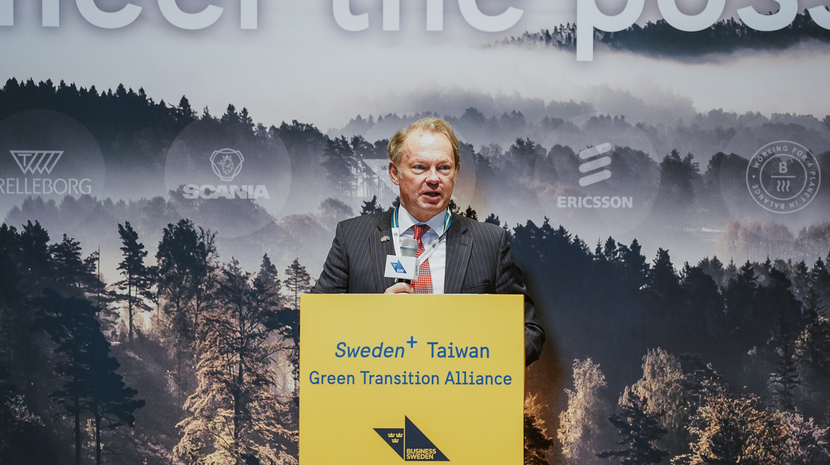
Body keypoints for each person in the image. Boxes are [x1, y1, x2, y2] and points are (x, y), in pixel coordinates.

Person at [312, 117, 545, 365]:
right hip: (377, 383)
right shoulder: (352, 237)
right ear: (394, 173)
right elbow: (314, 326)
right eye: (420, 167)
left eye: (443, 168)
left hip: (460, 383)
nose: (433, 178)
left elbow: (529, 332)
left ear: (455, 173)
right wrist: (374, 319)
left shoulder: (490, 242)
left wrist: (475, 358)